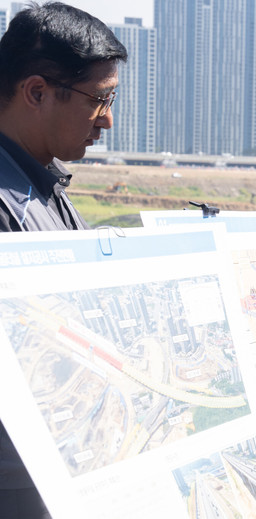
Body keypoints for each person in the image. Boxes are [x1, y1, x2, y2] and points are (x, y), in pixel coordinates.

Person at [0, 3, 127, 517]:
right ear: (36, 92)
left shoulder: (42, 183)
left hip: (57, 463)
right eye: (100, 99)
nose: (108, 119)